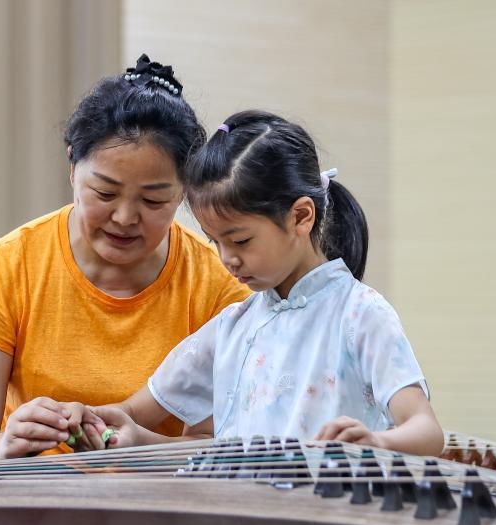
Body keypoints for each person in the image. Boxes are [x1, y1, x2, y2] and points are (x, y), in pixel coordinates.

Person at [0, 55, 251, 471]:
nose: (124, 218)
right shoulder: (7, 268)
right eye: (104, 193)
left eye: (154, 200)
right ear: (72, 168)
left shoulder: (219, 286)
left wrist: (141, 448)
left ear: (184, 193)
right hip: (26, 505)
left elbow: (223, 448)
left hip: (160, 515)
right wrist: (1, 449)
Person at [85, 110, 443, 455]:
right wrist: (110, 429)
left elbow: (426, 431)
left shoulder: (360, 315)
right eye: (216, 242)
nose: (227, 258)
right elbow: (136, 414)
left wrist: (378, 444)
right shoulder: (233, 326)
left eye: (240, 241)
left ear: (301, 216)